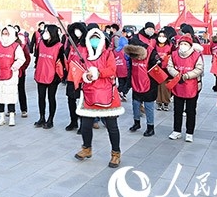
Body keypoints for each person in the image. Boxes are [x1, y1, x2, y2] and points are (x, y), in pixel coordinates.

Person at [74, 28, 124, 168]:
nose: (94, 41)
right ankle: (86, 148)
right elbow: (79, 71)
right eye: (91, 38)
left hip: (107, 94)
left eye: (97, 38)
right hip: (89, 94)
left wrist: (97, 72)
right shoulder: (84, 55)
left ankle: (116, 154)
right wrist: (85, 76)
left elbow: (112, 70)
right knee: (85, 125)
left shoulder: (108, 54)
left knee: (112, 127)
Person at [166, 35, 204, 142]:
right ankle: (176, 131)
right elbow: (170, 66)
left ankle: (189, 132)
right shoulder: (174, 54)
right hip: (178, 85)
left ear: (190, 45)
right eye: (181, 44)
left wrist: (187, 75)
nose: (183, 46)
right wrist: (177, 75)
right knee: (177, 110)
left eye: (185, 44)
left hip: (191, 86)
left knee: (191, 111)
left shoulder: (196, 55)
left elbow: (199, 69)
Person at [124, 23, 159, 137]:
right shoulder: (131, 54)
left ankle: (150, 127)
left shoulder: (151, 52)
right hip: (136, 81)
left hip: (149, 83)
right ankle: (136, 123)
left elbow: (157, 66)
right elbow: (130, 67)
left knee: (149, 106)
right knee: (135, 104)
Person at [0, 26, 26, 127]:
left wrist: (14, 67)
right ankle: (1, 117)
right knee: (0, 96)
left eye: (6, 34)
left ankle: (11, 117)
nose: (4, 36)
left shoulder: (16, 46)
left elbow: (21, 59)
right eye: (3, 34)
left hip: (11, 75)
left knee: (10, 96)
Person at [33, 24, 65, 129]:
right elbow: (37, 58)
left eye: (47, 31)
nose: (45, 33)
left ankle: (50, 119)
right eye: (44, 31)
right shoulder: (41, 43)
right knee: (41, 97)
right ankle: (42, 117)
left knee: (51, 98)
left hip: (53, 77)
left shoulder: (59, 46)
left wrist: (59, 76)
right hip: (40, 75)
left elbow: (62, 63)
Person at [64, 22, 88, 132]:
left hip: (82, 78)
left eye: (78, 30)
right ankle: (73, 121)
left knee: (82, 101)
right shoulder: (71, 45)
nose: (76, 32)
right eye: (74, 31)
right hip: (71, 77)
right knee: (71, 100)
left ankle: (83, 124)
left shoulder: (86, 45)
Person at [154, 27, 175, 111]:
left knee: (165, 87)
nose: (161, 38)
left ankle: (166, 102)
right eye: (160, 36)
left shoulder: (171, 45)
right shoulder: (154, 45)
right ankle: (158, 102)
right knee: (158, 86)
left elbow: (174, 56)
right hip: (157, 69)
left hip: (167, 69)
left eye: (163, 36)